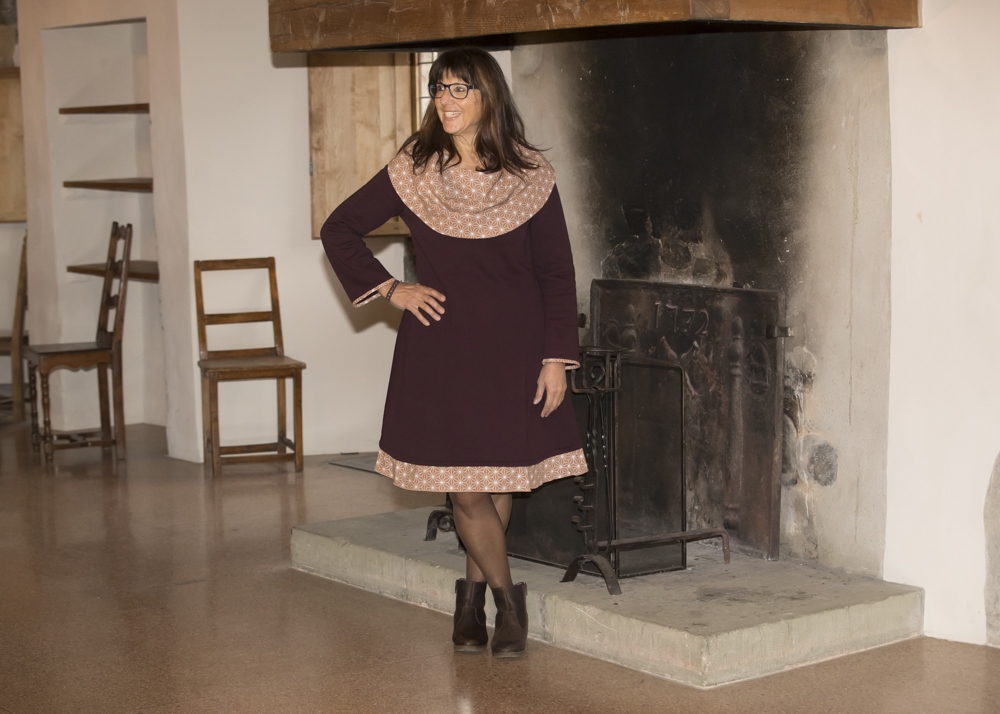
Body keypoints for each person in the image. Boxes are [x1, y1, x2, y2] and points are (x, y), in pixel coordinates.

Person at [321, 47, 586, 659]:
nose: (445, 99)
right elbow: (340, 228)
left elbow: (555, 271)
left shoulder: (531, 175)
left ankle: (469, 606)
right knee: (466, 490)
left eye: (459, 88)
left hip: (515, 348)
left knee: (495, 480)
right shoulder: (414, 169)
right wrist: (393, 288)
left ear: (489, 95)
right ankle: (510, 601)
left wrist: (555, 357)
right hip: (442, 350)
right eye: (439, 88)